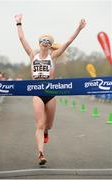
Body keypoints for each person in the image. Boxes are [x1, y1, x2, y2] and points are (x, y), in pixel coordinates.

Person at [15, 14, 86, 165]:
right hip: (37, 92)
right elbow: (22, 39)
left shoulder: (53, 57)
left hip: (51, 93)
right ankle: (41, 154)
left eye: (48, 41)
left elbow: (67, 42)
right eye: (43, 40)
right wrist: (19, 23)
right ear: (39, 43)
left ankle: (46, 132)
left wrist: (78, 29)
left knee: (49, 125)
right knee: (40, 124)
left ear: (50, 45)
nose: (45, 43)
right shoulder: (32, 55)